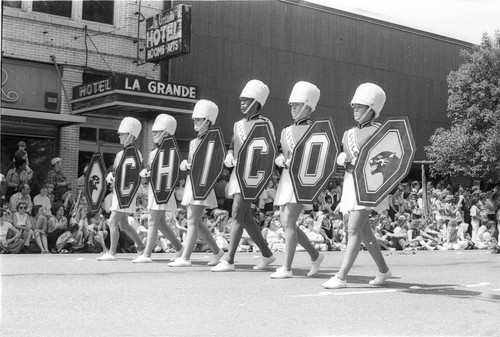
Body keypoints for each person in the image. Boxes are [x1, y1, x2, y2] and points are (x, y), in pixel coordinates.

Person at [323, 83, 392, 289]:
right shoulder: (348, 134)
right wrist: (342, 158)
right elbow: (346, 156)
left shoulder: (382, 131)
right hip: (350, 183)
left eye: (360, 107)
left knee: (352, 229)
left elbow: (387, 162)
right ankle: (384, 270)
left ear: (371, 109)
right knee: (364, 232)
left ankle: (341, 276)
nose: (355, 110)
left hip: (369, 185)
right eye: (354, 106)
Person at [211, 79, 276, 272]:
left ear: (257, 102)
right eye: (241, 99)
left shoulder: (265, 123)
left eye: (246, 100)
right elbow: (232, 145)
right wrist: (230, 154)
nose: (242, 103)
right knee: (245, 216)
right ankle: (267, 254)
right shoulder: (237, 125)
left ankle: (229, 259)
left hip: (253, 176)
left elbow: (269, 150)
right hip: (238, 174)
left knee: (238, 211)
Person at [270, 81, 325, 279]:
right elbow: (280, 149)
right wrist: (279, 157)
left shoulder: (316, 129)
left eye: (296, 105)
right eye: (291, 105)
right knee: (286, 223)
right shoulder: (285, 130)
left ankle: (286, 267)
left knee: (289, 220)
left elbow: (319, 157)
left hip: (301, 180)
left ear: (308, 107)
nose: (292, 109)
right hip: (286, 178)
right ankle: (315, 255)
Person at [168, 100, 224, 267]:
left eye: (198, 119)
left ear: (208, 121)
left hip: (203, 184)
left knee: (192, 220)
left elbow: (214, 164)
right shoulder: (193, 142)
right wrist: (186, 164)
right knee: (196, 221)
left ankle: (185, 257)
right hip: (192, 183)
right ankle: (217, 251)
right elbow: (194, 161)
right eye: (195, 119)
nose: (195, 122)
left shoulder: (213, 140)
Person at [131, 114, 185, 263]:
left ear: (166, 133)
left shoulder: (172, 151)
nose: (153, 134)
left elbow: (174, 172)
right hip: (154, 189)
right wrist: (146, 173)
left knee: (153, 221)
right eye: (153, 131)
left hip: (163, 189)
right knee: (160, 222)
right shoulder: (153, 152)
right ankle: (180, 248)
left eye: (157, 131)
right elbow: (153, 170)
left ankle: (147, 254)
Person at [97, 117, 146, 261]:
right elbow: (117, 171)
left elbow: (133, 175)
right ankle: (141, 246)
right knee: (124, 225)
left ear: (131, 135)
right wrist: (111, 175)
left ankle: (112, 253)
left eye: (122, 134)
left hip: (126, 192)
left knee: (112, 221)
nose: (119, 136)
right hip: (119, 192)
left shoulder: (136, 153)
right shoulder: (120, 154)